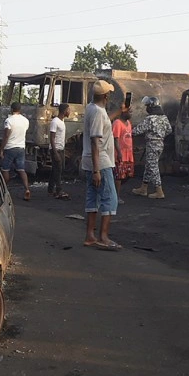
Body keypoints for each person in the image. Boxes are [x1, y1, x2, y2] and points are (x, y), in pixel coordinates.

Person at [82, 80, 120, 251]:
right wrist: (97, 170)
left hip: (90, 160)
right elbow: (95, 141)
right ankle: (104, 237)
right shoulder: (98, 112)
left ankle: (90, 235)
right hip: (100, 161)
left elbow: (102, 124)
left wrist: (119, 112)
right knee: (110, 198)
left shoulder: (92, 108)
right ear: (105, 96)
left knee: (93, 197)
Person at [131, 96, 172, 199]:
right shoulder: (164, 117)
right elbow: (169, 130)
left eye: (147, 106)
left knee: (153, 167)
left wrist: (127, 132)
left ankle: (159, 191)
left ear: (151, 106)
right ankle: (143, 188)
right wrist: (160, 135)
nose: (146, 108)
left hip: (152, 144)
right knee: (149, 166)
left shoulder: (150, 119)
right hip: (160, 144)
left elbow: (137, 131)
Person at [0, 102, 31, 200]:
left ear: (11, 109)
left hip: (10, 148)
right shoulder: (25, 121)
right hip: (21, 148)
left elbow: (6, 135)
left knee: (6, 169)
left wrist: (1, 149)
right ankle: (27, 189)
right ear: (20, 109)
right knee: (21, 170)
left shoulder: (9, 120)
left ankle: (3, 191)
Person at [48, 103, 70, 200]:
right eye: (69, 110)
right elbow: (52, 138)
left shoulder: (62, 121)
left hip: (60, 149)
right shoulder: (55, 121)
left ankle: (50, 189)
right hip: (55, 149)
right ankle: (59, 190)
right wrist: (55, 152)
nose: (70, 112)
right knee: (58, 170)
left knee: (55, 169)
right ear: (64, 111)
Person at [113, 109, 134, 204]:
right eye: (129, 112)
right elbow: (115, 139)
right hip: (120, 154)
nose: (131, 113)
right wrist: (119, 152)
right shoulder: (117, 123)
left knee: (127, 175)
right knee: (119, 177)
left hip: (128, 154)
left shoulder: (128, 123)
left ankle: (113, 192)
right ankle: (115, 196)